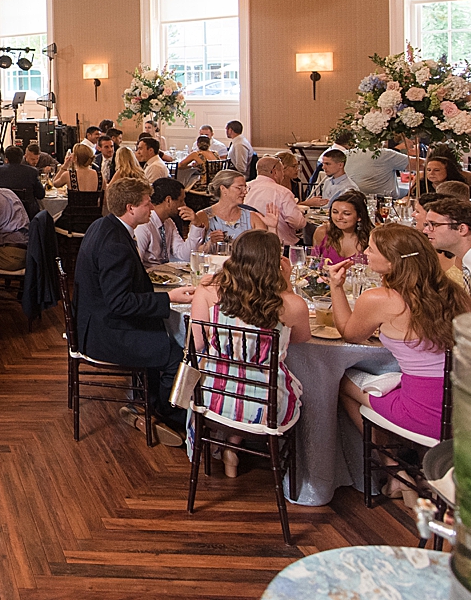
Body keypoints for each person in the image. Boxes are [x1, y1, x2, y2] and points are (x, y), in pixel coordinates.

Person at [76, 176, 196, 446]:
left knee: (166, 339)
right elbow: (120, 303)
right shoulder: (115, 244)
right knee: (177, 356)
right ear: (130, 208)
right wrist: (168, 299)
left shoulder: (104, 225)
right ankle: (167, 412)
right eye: (146, 205)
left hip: (97, 320)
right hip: (105, 332)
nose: (151, 209)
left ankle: (147, 403)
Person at [333, 224, 471, 444]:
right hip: (464, 410)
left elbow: (349, 335)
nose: (365, 254)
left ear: (392, 262)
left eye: (371, 249)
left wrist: (336, 287)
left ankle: (393, 468)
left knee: (340, 382)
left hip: (423, 413)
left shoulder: (379, 299)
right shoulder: (455, 293)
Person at [190, 230, 310, 477]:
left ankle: (230, 445)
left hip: (212, 396)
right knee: (272, 382)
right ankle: (233, 447)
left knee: (234, 375)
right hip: (267, 406)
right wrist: (286, 286)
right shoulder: (291, 305)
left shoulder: (208, 290)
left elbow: (197, 343)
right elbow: (301, 339)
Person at [135, 177, 201, 265]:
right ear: (168, 200)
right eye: (181, 200)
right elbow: (136, 262)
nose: (184, 205)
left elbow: (184, 256)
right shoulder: (144, 225)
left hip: (165, 274)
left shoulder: (168, 222)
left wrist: (196, 226)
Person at [194, 170, 269, 247]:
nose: (245, 192)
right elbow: (192, 251)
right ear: (223, 189)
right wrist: (210, 244)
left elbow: (266, 248)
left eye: (245, 188)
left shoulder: (252, 218)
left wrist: (272, 227)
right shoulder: (203, 217)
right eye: (239, 188)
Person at [246, 156, 307, 247]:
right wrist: (301, 214)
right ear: (274, 172)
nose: (283, 175)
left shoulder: (244, 187)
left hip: (248, 242)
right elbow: (297, 223)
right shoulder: (282, 192)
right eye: (282, 171)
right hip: (280, 244)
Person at [333, 132, 414, 197]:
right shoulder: (384, 154)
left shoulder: (345, 154)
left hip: (350, 199)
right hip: (382, 202)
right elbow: (419, 165)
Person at [312, 191, 372, 264]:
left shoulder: (371, 238)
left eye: (346, 213)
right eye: (335, 212)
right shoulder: (322, 232)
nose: (339, 217)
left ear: (359, 216)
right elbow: (313, 266)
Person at [0, 145, 45, 219]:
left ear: (6, 159)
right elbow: (40, 194)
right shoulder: (31, 172)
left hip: (4, 212)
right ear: (22, 159)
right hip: (28, 213)